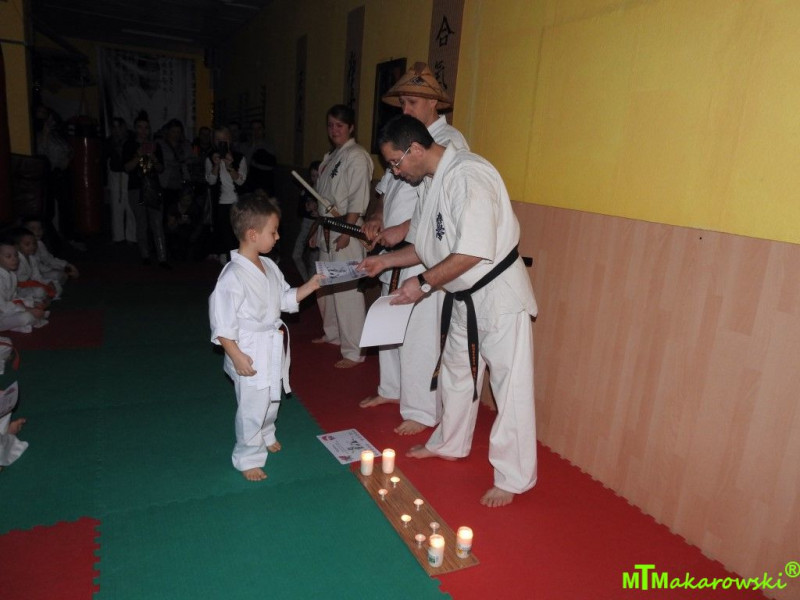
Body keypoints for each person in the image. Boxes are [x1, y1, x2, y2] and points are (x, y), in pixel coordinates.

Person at [359, 115, 538, 508]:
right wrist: (386, 262)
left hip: (499, 296)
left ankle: (513, 477)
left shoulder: (469, 176)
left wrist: (423, 284)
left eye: (395, 162)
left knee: (509, 387)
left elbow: (473, 251)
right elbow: (426, 248)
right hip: (463, 294)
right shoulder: (430, 182)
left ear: (415, 149)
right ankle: (449, 443)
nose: (395, 172)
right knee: (457, 374)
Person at [359, 62, 469, 436]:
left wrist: (404, 230)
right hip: (400, 246)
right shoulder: (401, 138)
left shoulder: (448, 142)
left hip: (427, 248)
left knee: (420, 330)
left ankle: (422, 409)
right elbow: (385, 190)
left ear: (433, 103)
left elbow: (442, 209)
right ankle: (391, 388)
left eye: (412, 103)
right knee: (389, 320)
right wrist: (378, 217)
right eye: (402, 103)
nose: (405, 110)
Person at [208, 194, 321, 481]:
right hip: (248, 347)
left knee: (272, 396)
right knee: (252, 406)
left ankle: (267, 432)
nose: (278, 236)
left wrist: (310, 286)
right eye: (273, 231)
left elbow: (283, 298)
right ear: (252, 234)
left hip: (270, 343)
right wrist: (236, 355)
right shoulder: (232, 276)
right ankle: (247, 456)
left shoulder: (268, 265)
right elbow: (222, 324)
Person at [309, 104, 373, 368]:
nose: (334, 130)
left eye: (340, 125)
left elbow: (358, 198)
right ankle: (333, 334)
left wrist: (347, 232)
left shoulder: (356, 156)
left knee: (347, 292)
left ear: (351, 128)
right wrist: (316, 230)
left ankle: (355, 351)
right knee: (327, 287)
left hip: (346, 228)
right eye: (330, 125)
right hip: (328, 228)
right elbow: (324, 200)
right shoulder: (332, 156)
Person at [122, 111, 170, 268]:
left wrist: (153, 157)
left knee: (157, 223)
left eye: (146, 128)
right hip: (136, 188)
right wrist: (139, 155)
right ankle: (145, 256)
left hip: (153, 187)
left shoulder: (155, 145)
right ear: (135, 128)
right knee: (141, 223)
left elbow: (161, 168)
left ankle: (162, 258)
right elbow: (127, 168)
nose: (143, 131)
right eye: (140, 127)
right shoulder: (129, 145)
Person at [205, 127, 247, 264]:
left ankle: (237, 263)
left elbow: (241, 181)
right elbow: (211, 181)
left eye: (224, 140)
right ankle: (227, 263)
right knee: (224, 236)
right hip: (220, 204)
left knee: (237, 236)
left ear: (230, 140)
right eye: (218, 140)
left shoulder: (239, 157)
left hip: (237, 204)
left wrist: (230, 166)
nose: (221, 143)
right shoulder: (210, 158)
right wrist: (216, 165)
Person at [0, 238, 49, 333]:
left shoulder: (12, 275)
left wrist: (31, 303)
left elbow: (14, 299)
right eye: (8, 256)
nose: (14, 259)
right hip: (2, 310)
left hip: (6, 310)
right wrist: (27, 309)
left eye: (16, 255)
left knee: (32, 310)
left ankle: (20, 322)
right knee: (27, 317)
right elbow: (2, 306)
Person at [20, 216, 80, 293]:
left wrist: (66, 265)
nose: (37, 231)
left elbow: (49, 259)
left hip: (40, 273)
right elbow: (36, 268)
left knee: (58, 272)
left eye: (39, 228)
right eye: (33, 228)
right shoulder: (21, 247)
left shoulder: (40, 244)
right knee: (55, 277)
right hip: (30, 278)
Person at [104, 117, 136, 244]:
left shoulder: (132, 139)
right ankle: (118, 236)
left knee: (130, 206)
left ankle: (131, 236)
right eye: (114, 127)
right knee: (116, 206)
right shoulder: (109, 142)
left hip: (129, 174)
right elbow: (104, 159)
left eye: (119, 127)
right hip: (115, 175)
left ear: (124, 127)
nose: (117, 130)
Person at [11, 227, 57, 302]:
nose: (32, 246)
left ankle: (39, 299)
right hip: (18, 289)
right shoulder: (15, 260)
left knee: (55, 286)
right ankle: (34, 300)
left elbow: (36, 276)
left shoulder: (32, 258)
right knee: (40, 292)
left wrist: (47, 282)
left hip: (31, 285)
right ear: (17, 246)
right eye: (27, 244)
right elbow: (13, 282)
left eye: (34, 243)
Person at [292, 160, 320, 281]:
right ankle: (307, 282)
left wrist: (319, 213)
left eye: (318, 176)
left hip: (319, 227)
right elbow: (299, 211)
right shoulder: (307, 189)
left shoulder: (326, 190)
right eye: (313, 176)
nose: (315, 179)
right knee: (296, 255)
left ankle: (310, 286)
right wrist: (307, 208)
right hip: (306, 224)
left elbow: (333, 212)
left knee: (313, 261)